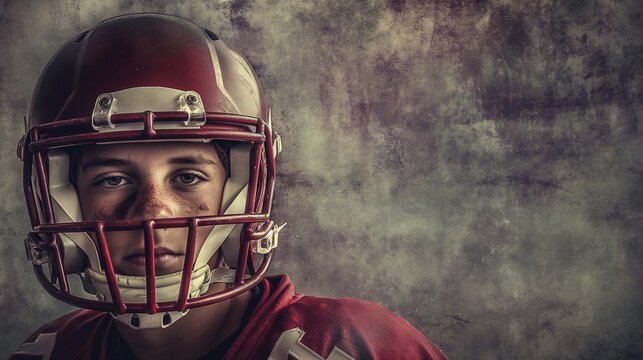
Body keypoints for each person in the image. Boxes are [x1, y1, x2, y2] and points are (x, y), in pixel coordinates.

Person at [11, 13, 446, 360]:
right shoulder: (50, 351)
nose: (153, 210)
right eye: (112, 179)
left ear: (240, 189)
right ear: (63, 200)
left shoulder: (355, 346)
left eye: (187, 177)